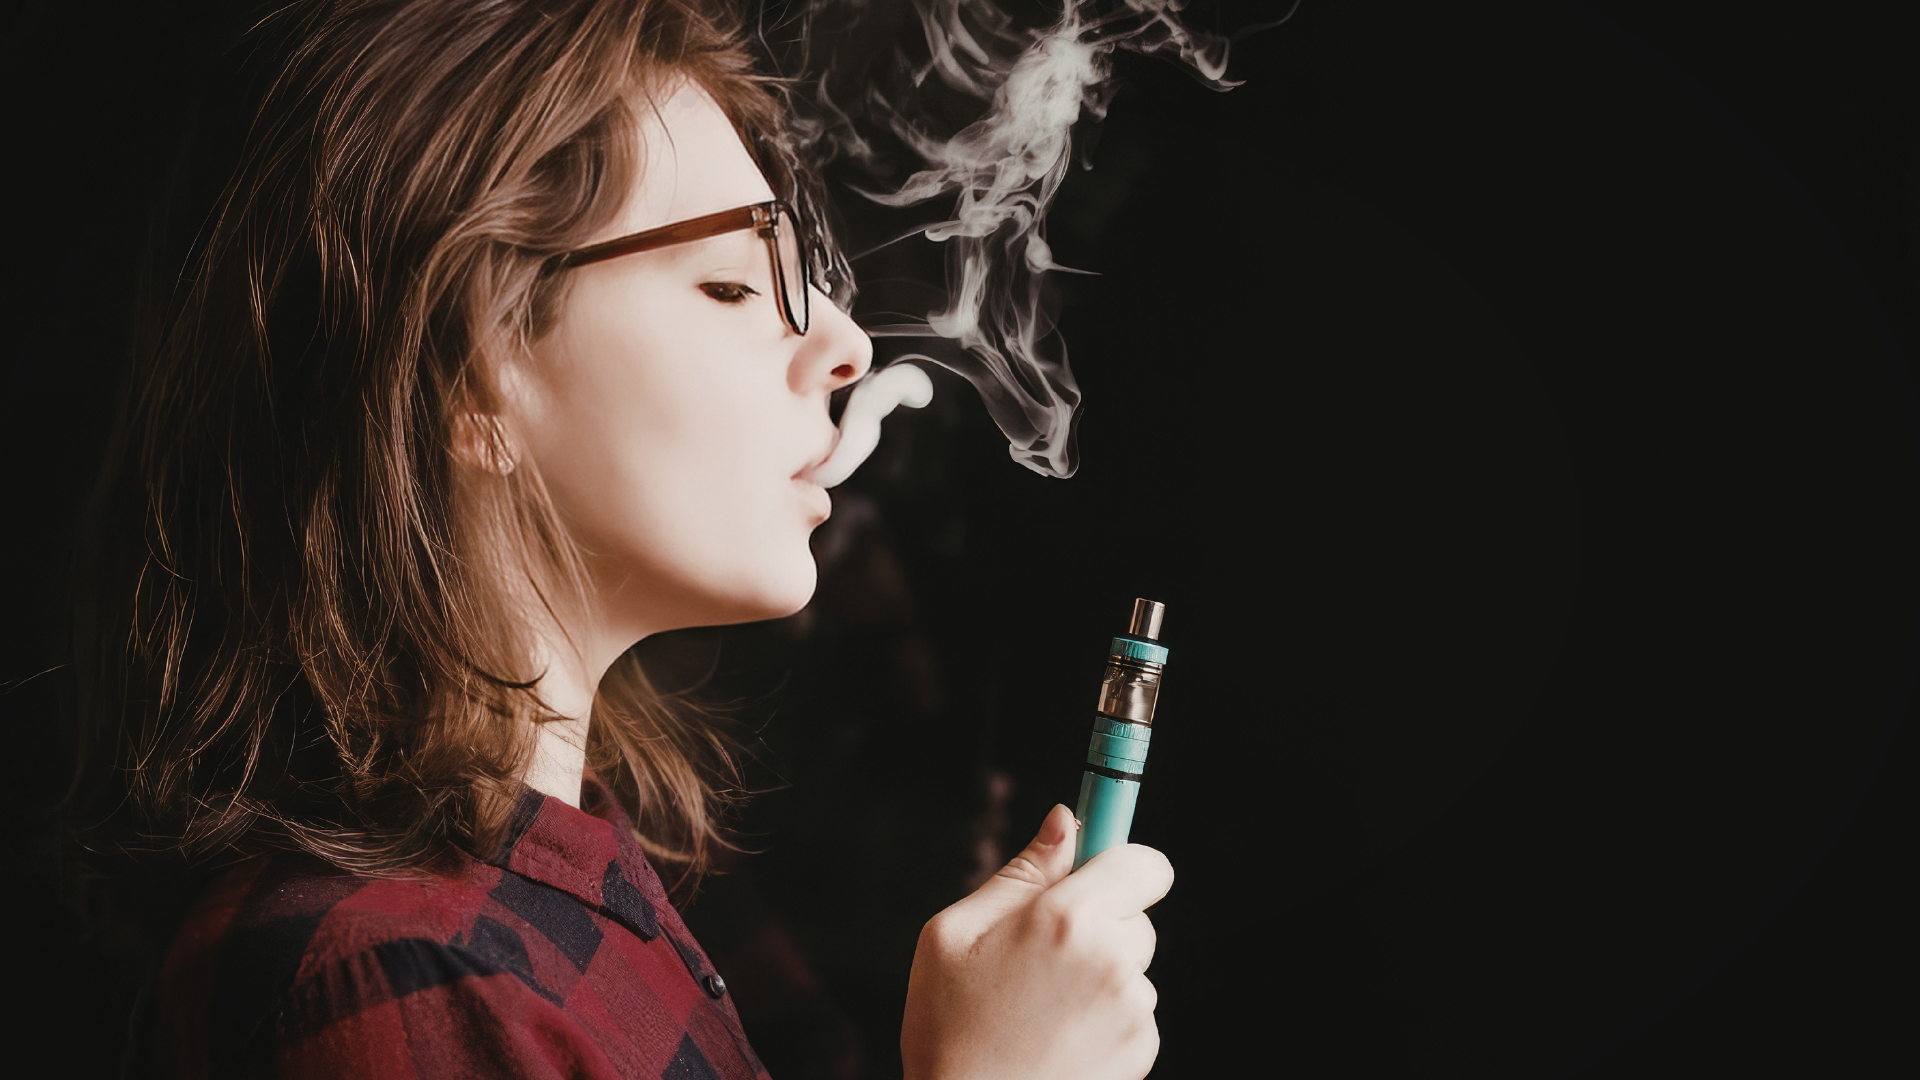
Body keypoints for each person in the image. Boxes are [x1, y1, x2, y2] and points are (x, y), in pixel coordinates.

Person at [66, 1, 1172, 1077]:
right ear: (469, 376)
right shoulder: (382, 978)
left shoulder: (628, 872)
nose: (843, 344)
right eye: (733, 284)